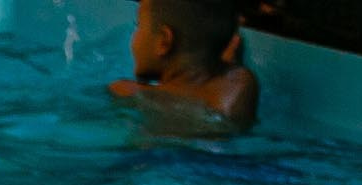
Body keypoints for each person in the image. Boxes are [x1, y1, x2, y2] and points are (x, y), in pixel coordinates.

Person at [109, 0, 257, 136]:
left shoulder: (127, 91)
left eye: (138, 25)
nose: (134, 37)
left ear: (164, 42)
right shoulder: (241, 81)